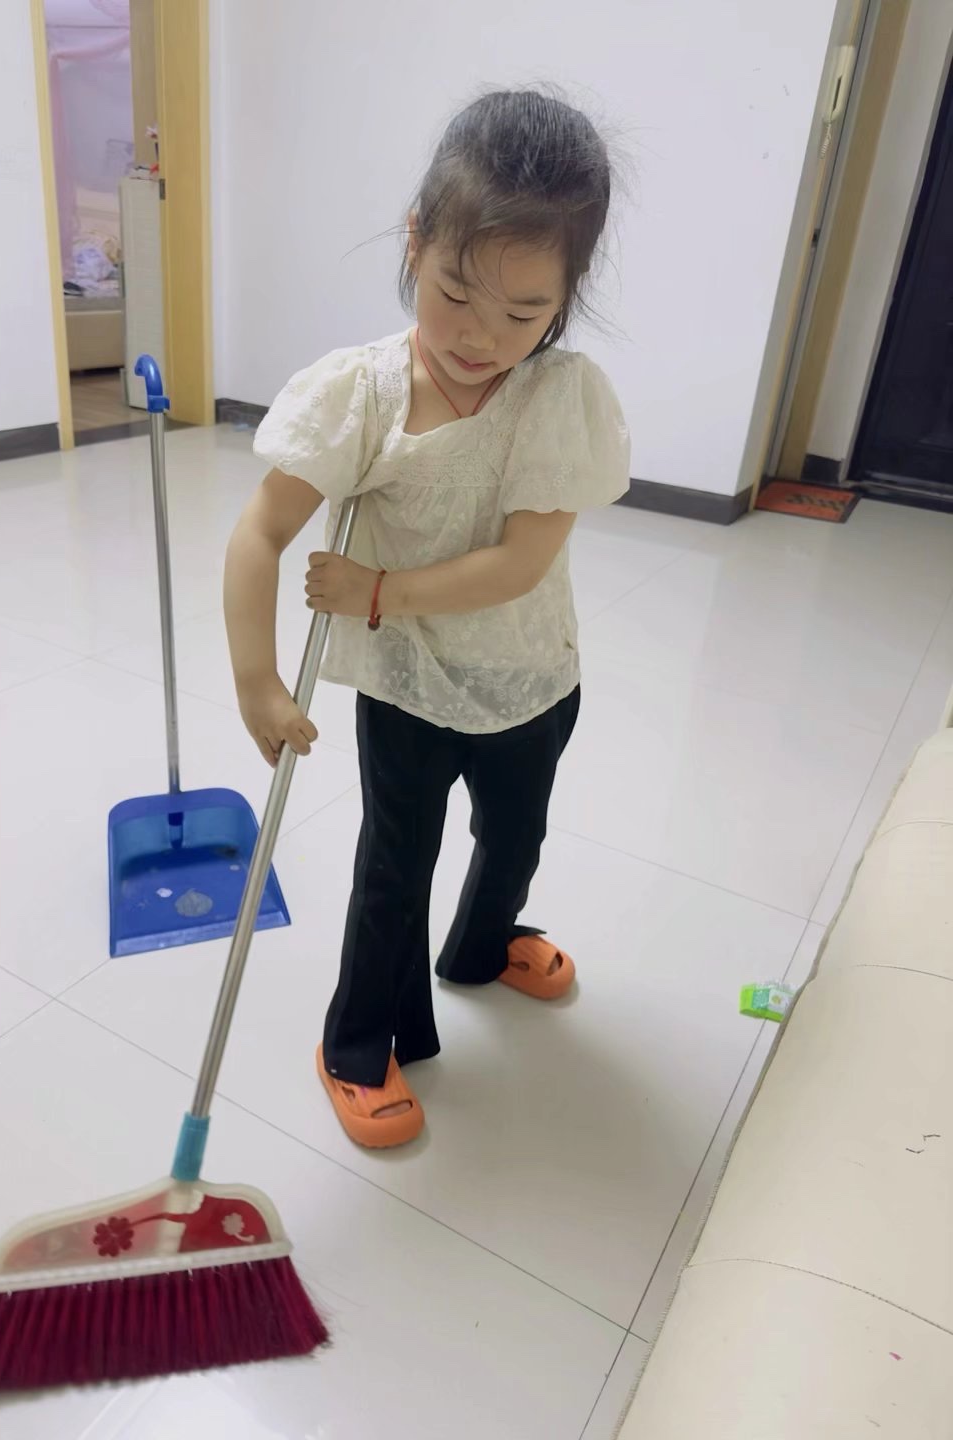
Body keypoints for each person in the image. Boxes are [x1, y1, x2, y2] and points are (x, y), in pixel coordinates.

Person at [224, 88, 630, 1149]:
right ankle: (361, 1041)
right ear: (416, 241)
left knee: (515, 836)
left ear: (567, 298)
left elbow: (523, 561)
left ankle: (485, 946)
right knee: (394, 871)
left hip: (531, 676)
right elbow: (260, 533)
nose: (480, 337)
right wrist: (257, 679)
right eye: (455, 292)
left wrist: (377, 590)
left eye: (524, 313)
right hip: (407, 690)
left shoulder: (559, 397)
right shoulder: (361, 395)